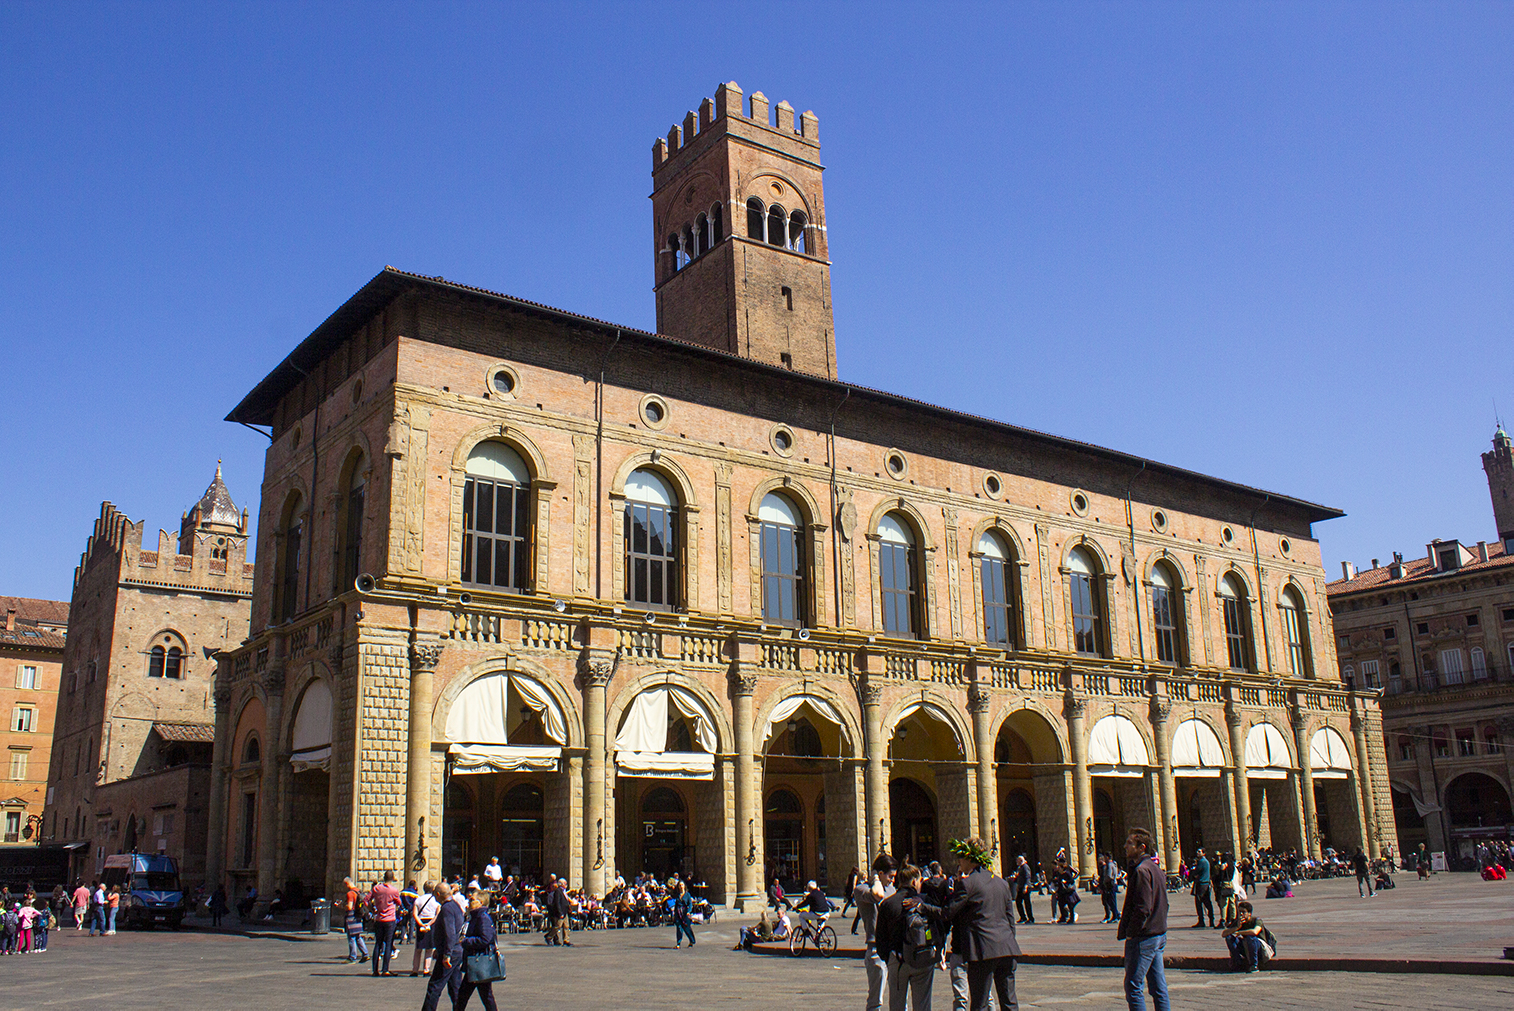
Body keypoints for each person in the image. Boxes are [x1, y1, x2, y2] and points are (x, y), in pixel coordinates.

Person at [914, 836, 1019, 1011]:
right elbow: (1010, 920)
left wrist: (922, 906)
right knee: (1009, 1001)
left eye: (960, 857)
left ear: (969, 858)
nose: (959, 862)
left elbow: (947, 912)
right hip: (1007, 947)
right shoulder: (1001, 883)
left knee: (980, 1002)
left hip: (983, 950)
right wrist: (1008, 940)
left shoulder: (967, 884)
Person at [1118, 828, 1170, 1011]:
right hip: (1158, 934)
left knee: (1133, 987)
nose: (1125, 846)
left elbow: (1143, 908)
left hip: (1144, 936)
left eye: (1130, 843)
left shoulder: (1141, 871)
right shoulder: (1156, 869)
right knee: (1158, 987)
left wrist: (1131, 932)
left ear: (1142, 847)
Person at [875, 863, 935, 1011]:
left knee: (897, 1005)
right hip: (922, 958)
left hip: (897, 959)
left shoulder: (888, 904)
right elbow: (937, 928)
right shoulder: (925, 902)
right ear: (915, 881)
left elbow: (880, 937)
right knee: (923, 1006)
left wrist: (888, 957)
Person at [853, 853, 897, 1011]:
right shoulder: (861, 889)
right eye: (890, 876)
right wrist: (876, 879)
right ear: (879, 874)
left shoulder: (892, 889)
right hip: (876, 949)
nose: (892, 880)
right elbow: (877, 895)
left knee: (899, 998)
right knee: (876, 1000)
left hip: (894, 948)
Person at [421, 882, 465, 1011]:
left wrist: (447, 954)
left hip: (450, 952)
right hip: (456, 950)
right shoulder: (456, 906)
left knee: (434, 986)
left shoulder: (446, 908)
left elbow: (450, 932)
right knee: (455, 987)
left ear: (438, 894)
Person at [455, 889, 501, 1011]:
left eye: (472, 900)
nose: (469, 901)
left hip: (479, 962)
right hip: (475, 962)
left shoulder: (482, 917)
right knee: (474, 996)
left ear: (480, 902)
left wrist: (466, 941)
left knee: (473, 996)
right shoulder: (475, 916)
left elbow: (485, 939)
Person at [1222, 900, 1273, 972]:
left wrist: (1240, 932)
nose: (1241, 914)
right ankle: (1238, 963)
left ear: (1249, 913)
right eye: (1239, 912)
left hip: (1259, 947)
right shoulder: (1238, 922)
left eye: (1243, 912)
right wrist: (1237, 927)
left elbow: (1255, 931)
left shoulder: (1257, 920)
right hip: (1247, 947)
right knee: (1229, 938)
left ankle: (1254, 965)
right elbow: (1224, 934)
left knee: (1250, 938)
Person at [369, 870, 402, 976]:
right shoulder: (394, 890)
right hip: (390, 920)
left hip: (379, 919)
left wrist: (373, 909)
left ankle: (375, 970)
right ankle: (385, 969)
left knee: (378, 944)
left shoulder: (376, 888)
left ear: (384, 877)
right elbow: (399, 903)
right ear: (392, 878)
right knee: (388, 944)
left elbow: (366, 900)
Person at [411, 879, 440, 977]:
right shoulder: (436, 900)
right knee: (429, 949)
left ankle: (415, 970)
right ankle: (426, 970)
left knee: (418, 949)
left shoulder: (418, 899)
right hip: (431, 923)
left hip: (421, 922)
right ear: (433, 889)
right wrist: (429, 924)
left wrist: (421, 924)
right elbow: (437, 914)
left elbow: (414, 914)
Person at [341, 877, 369, 963]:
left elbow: (349, 907)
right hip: (358, 916)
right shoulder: (358, 891)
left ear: (347, 884)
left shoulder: (350, 893)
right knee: (357, 936)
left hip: (351, 916)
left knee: (351, 937)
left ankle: (352, 956)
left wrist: (341, 906)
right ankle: (365, 954)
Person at [545, 876, 572, 946]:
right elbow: (557, 902)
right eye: (565, 884)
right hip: (561, 912)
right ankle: (549, 937)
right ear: (561, 884)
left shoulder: (564, 891)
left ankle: (566, 940)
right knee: (558, 926)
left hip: (565, 911)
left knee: (566, 926)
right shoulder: (558, 891)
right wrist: (560, 913)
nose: (566, 885)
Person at [1190, 847, 1214, 928]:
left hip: (1201, 884)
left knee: (1199, 902)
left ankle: (1201, 921)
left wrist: (1193, 871)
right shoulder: (1206, 861)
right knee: (1207, 902)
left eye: (1199, 851)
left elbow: (1196, 872)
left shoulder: (1202, 862)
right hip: (1205, 884)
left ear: (1204, 853)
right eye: (1197, 851)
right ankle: (1211, 920)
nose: (1197, 852)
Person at [671, 879, 695, 948]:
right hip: (678, 913)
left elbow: (690, 904)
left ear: (684, 886)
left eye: (682, 885)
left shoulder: (687, 894)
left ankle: (691, 941)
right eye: (680, 885)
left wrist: (688, 911)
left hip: (685, 913)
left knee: (687, 928)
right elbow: (676, 905)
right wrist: (674, 914)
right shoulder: (678, 895)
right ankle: (678, 943)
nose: (681, 886)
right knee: (679, 928)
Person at [1098, 853, 1120, 923]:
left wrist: (1105, 882)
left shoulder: (1109, 865)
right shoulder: (1113, 864)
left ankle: (1115, 916)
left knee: (1111, 901)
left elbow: (1109, 876)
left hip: (1110, 885)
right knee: (1111, 901)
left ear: (1107, 857)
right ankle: (1115, 915)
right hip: (1113, 884)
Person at [1012, 855, 1034, 924]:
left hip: (1025, 887)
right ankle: (1023, 917)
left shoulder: (1025, 867)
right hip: (1021, 887)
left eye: (1017, 860)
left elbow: (1028, 877)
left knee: (1027, 903)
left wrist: (1026, 886)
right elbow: (1019, 877)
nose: (1016, 862)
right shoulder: (1020, 868)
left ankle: (1030, 918)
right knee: (1018, 901)